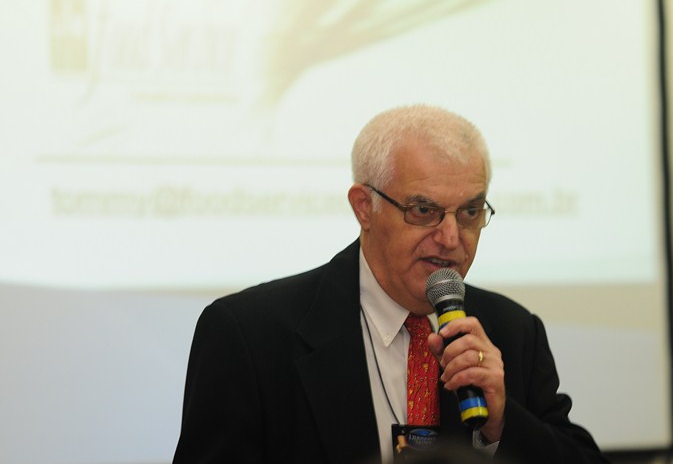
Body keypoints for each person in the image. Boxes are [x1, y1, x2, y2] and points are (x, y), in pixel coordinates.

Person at [173, 104, 607, 463]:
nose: (451, 238)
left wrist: (502, 423)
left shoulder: (512, 332)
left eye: (470, 212)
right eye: (424, 211)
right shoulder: (250, 336)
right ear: (364, 207)